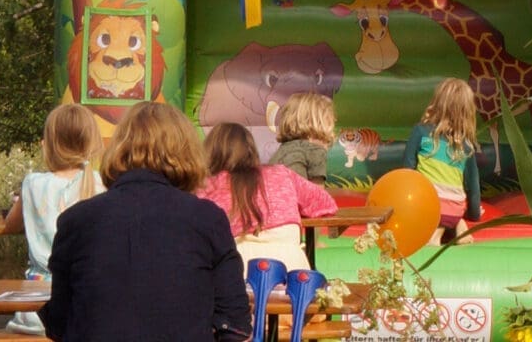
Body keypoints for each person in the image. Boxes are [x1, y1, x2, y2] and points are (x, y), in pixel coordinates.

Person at [41, 102, 251, 342]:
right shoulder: (207, 219)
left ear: (118, 149)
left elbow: (58, 323)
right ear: (188, 153)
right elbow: (235, 325)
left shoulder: (76, 220)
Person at [1, 103, 103, 335]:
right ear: (91, 142)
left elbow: (11, 224)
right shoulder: (101, 184)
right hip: (84, 300)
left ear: (49, 144)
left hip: (35, 308)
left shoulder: (33, 184)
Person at [198, 121, 338, 271]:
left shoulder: (207, 187)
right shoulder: (281, 173)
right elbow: (326, 203)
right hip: (292, 267)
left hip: (239, 269)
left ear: (209, 153)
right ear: (252, 150)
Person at [406, 78, 482, 245]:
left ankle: (435, 236)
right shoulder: (467, 146)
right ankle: (457, 226)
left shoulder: (421, 132)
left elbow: (407, 172)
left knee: (433, 206)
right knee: (452, 208)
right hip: (454, 209)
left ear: (436, 103)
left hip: (426, 209)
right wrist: (474, 215)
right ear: (468, 111)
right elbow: (473, 188)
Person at [266, 91, 338, 183]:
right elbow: (316, 193)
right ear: (319, 125)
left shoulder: (281, 151)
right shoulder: (314, 150)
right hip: (296, 196)